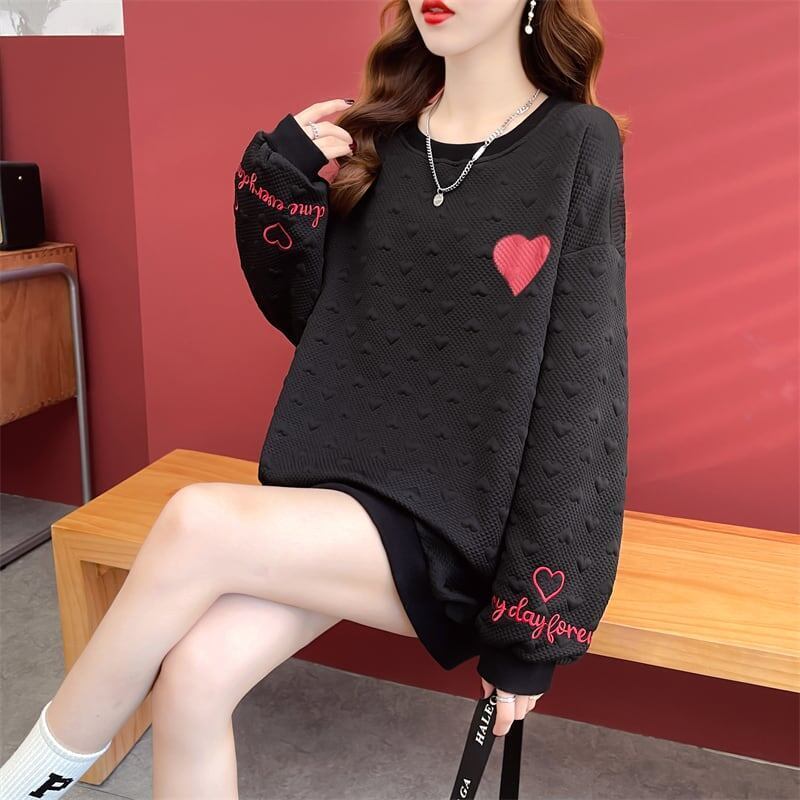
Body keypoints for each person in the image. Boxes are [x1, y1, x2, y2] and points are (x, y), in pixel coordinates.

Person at [0, 0, 629, 798]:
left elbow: (584, 386)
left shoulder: (578, 142)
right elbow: (321, 319)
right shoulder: (388, 139)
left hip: (464, 531)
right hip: (347, 497)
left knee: (198, 521)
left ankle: (27, 784)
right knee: (193, 676)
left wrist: (531, 634)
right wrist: (284, 181)